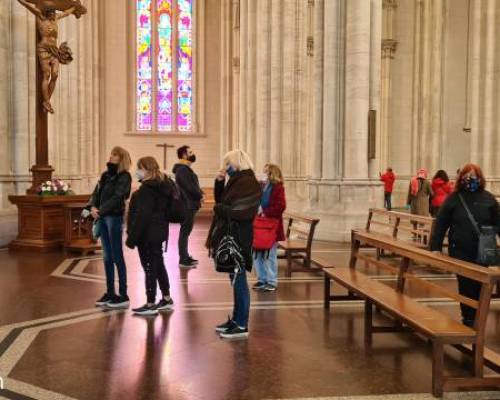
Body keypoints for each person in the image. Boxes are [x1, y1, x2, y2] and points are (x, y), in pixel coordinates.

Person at [430, 163, 500, 327]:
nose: (471, 179)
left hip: (483, 250)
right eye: (467, 176)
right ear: (461, 178)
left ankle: (477, 318)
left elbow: (498, 222)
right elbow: (441, 224)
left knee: (481, 286)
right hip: (460, 250)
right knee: (466, 284)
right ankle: (468, 319)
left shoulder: (489, 199)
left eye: (474, 176)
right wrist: (436, 247)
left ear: (480, 178)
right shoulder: (454, 198)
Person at [206, 150, 262, 339]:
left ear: (237, 163)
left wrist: (219, 209)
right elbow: (223, 201)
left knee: (239, 281)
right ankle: (236, 319)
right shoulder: (237, 181)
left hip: (238, 238)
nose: (226, 167)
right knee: (235, 279)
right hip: (231, 236)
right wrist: (219, 182)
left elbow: (241, 212)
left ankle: (241, 325)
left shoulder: (248, 182)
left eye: (228, 163)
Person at [126, 157, 174, 316]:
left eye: (139, 168)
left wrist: (131, 238)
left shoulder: (147, 189)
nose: (137, 171)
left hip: (147, 234)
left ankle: (150, 302)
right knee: (158, 264)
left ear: (147, 170)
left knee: (149, 268)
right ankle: (166, 298)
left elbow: (142, 216)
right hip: (159, 232)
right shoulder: (162, 185)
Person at [87, 146, 132, 309]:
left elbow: (119, 196)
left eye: (114, 155)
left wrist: (101, 210)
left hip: (114, 217)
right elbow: (96, 193)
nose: (111, 157)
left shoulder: (125, 176)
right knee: (107, 256)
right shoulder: (106, 175)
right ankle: (110, 292)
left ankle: (123, 294)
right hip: (103, 216)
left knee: (117, 255)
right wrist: (92, 206)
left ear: (121, 158)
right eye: (111, 154)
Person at [253, 164, 286, 292]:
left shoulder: (278, 188)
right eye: (264, 171)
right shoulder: (262, 186)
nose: (264, 173)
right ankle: (262, 279)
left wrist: (265, 211)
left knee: (270, 255)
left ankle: (272, 281)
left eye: (266, 171)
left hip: (271, 226)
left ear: (272, 173)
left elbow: (281, 206)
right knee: (257, 254)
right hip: (259, 224)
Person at [173, 145, 204, 268]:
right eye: (190, 152)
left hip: (189, 204)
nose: (193, 153)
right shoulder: (182, 170)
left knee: (185, 232)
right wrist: (200, 195)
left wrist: (199, 193)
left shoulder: (184, 169)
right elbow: (189, 187)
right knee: (185, 232)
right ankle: (183, 259)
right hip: (187, 205)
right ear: (184, 155)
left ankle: (185, 256)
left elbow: (192, 186)